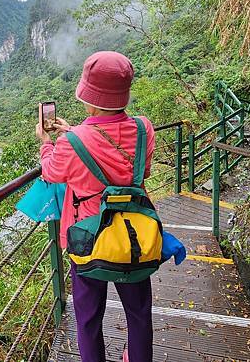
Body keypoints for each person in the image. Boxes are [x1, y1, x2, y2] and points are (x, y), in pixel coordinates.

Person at [35, 51, 156, 362]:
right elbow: (142, 171)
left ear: (87, 94)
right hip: (135, 238)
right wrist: (74, 132)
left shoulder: (71, 143)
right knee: (139, 313)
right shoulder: (144, 129)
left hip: (88, 238)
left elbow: (51, 172)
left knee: (88, 318)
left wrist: (47, 142)